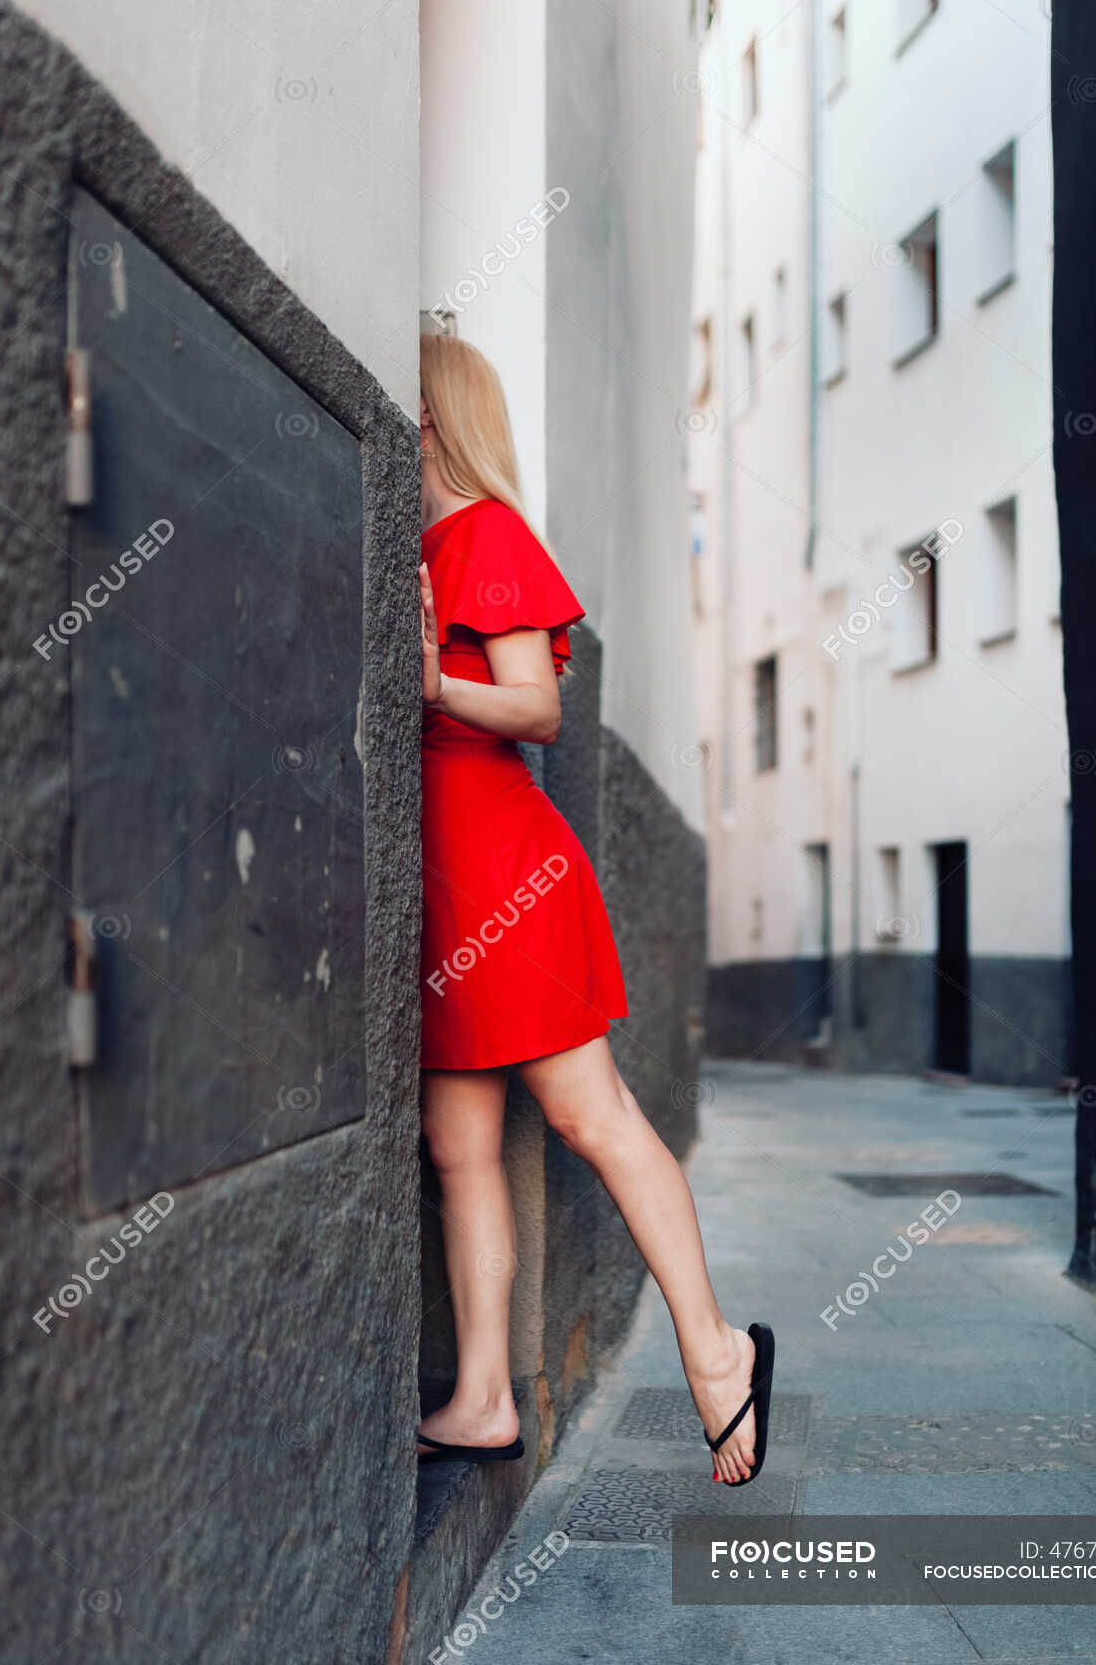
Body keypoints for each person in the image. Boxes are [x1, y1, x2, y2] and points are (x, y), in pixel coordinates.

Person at [414, 333, 773, 1486]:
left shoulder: (486, 536)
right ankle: (479, 1399)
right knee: (458, 1146)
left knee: (593, 1117)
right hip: (440, 885)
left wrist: (429, 684)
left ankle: (716, 1353)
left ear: (433, 415)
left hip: (507, 878)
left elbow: (537, 709)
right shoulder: (422, 547)